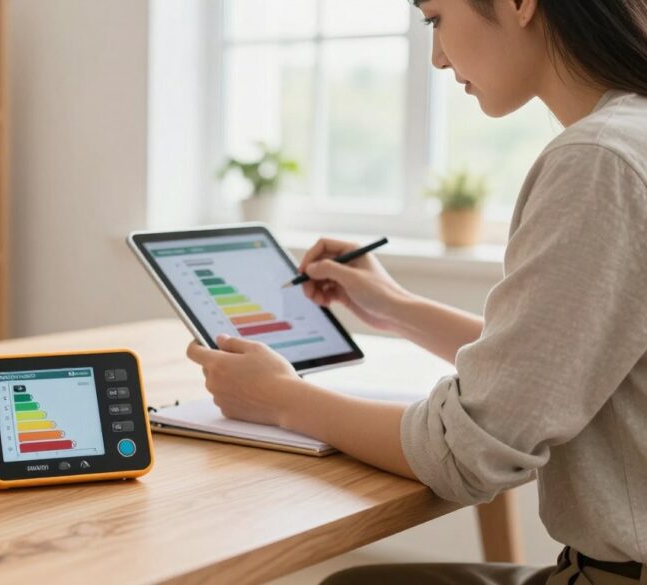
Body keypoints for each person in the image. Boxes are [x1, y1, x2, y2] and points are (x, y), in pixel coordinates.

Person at [186, 0, 647, 583]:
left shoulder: (599, 160)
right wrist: (396, 309)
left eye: (435, 19)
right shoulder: (632, 135)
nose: (434, 56)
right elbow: (552, 370)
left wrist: (280, 399)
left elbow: (469, 452)